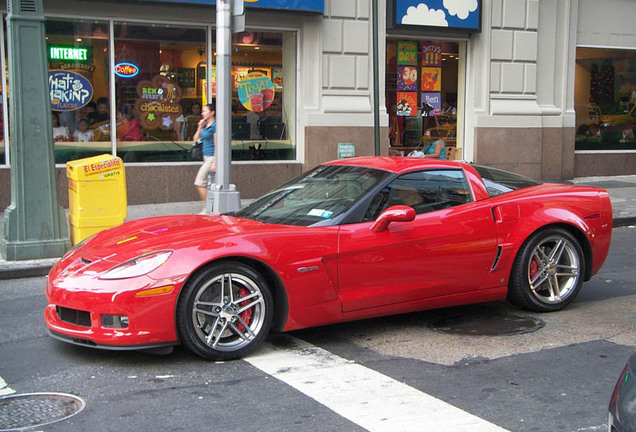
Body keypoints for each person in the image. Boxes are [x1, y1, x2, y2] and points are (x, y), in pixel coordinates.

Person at [192, 103, 216, 214]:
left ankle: (207, 206)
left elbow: (217, 144)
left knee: (199, 182)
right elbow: (195, 139)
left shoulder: (214, 126)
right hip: (205, 157)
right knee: (207, 183)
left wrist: (214, 162)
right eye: (202, 111)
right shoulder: (205, 125)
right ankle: (208, 206)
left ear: (212, 113)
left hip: (211, 157)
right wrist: (199, 127)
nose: (203, 113)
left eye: (205, 111)